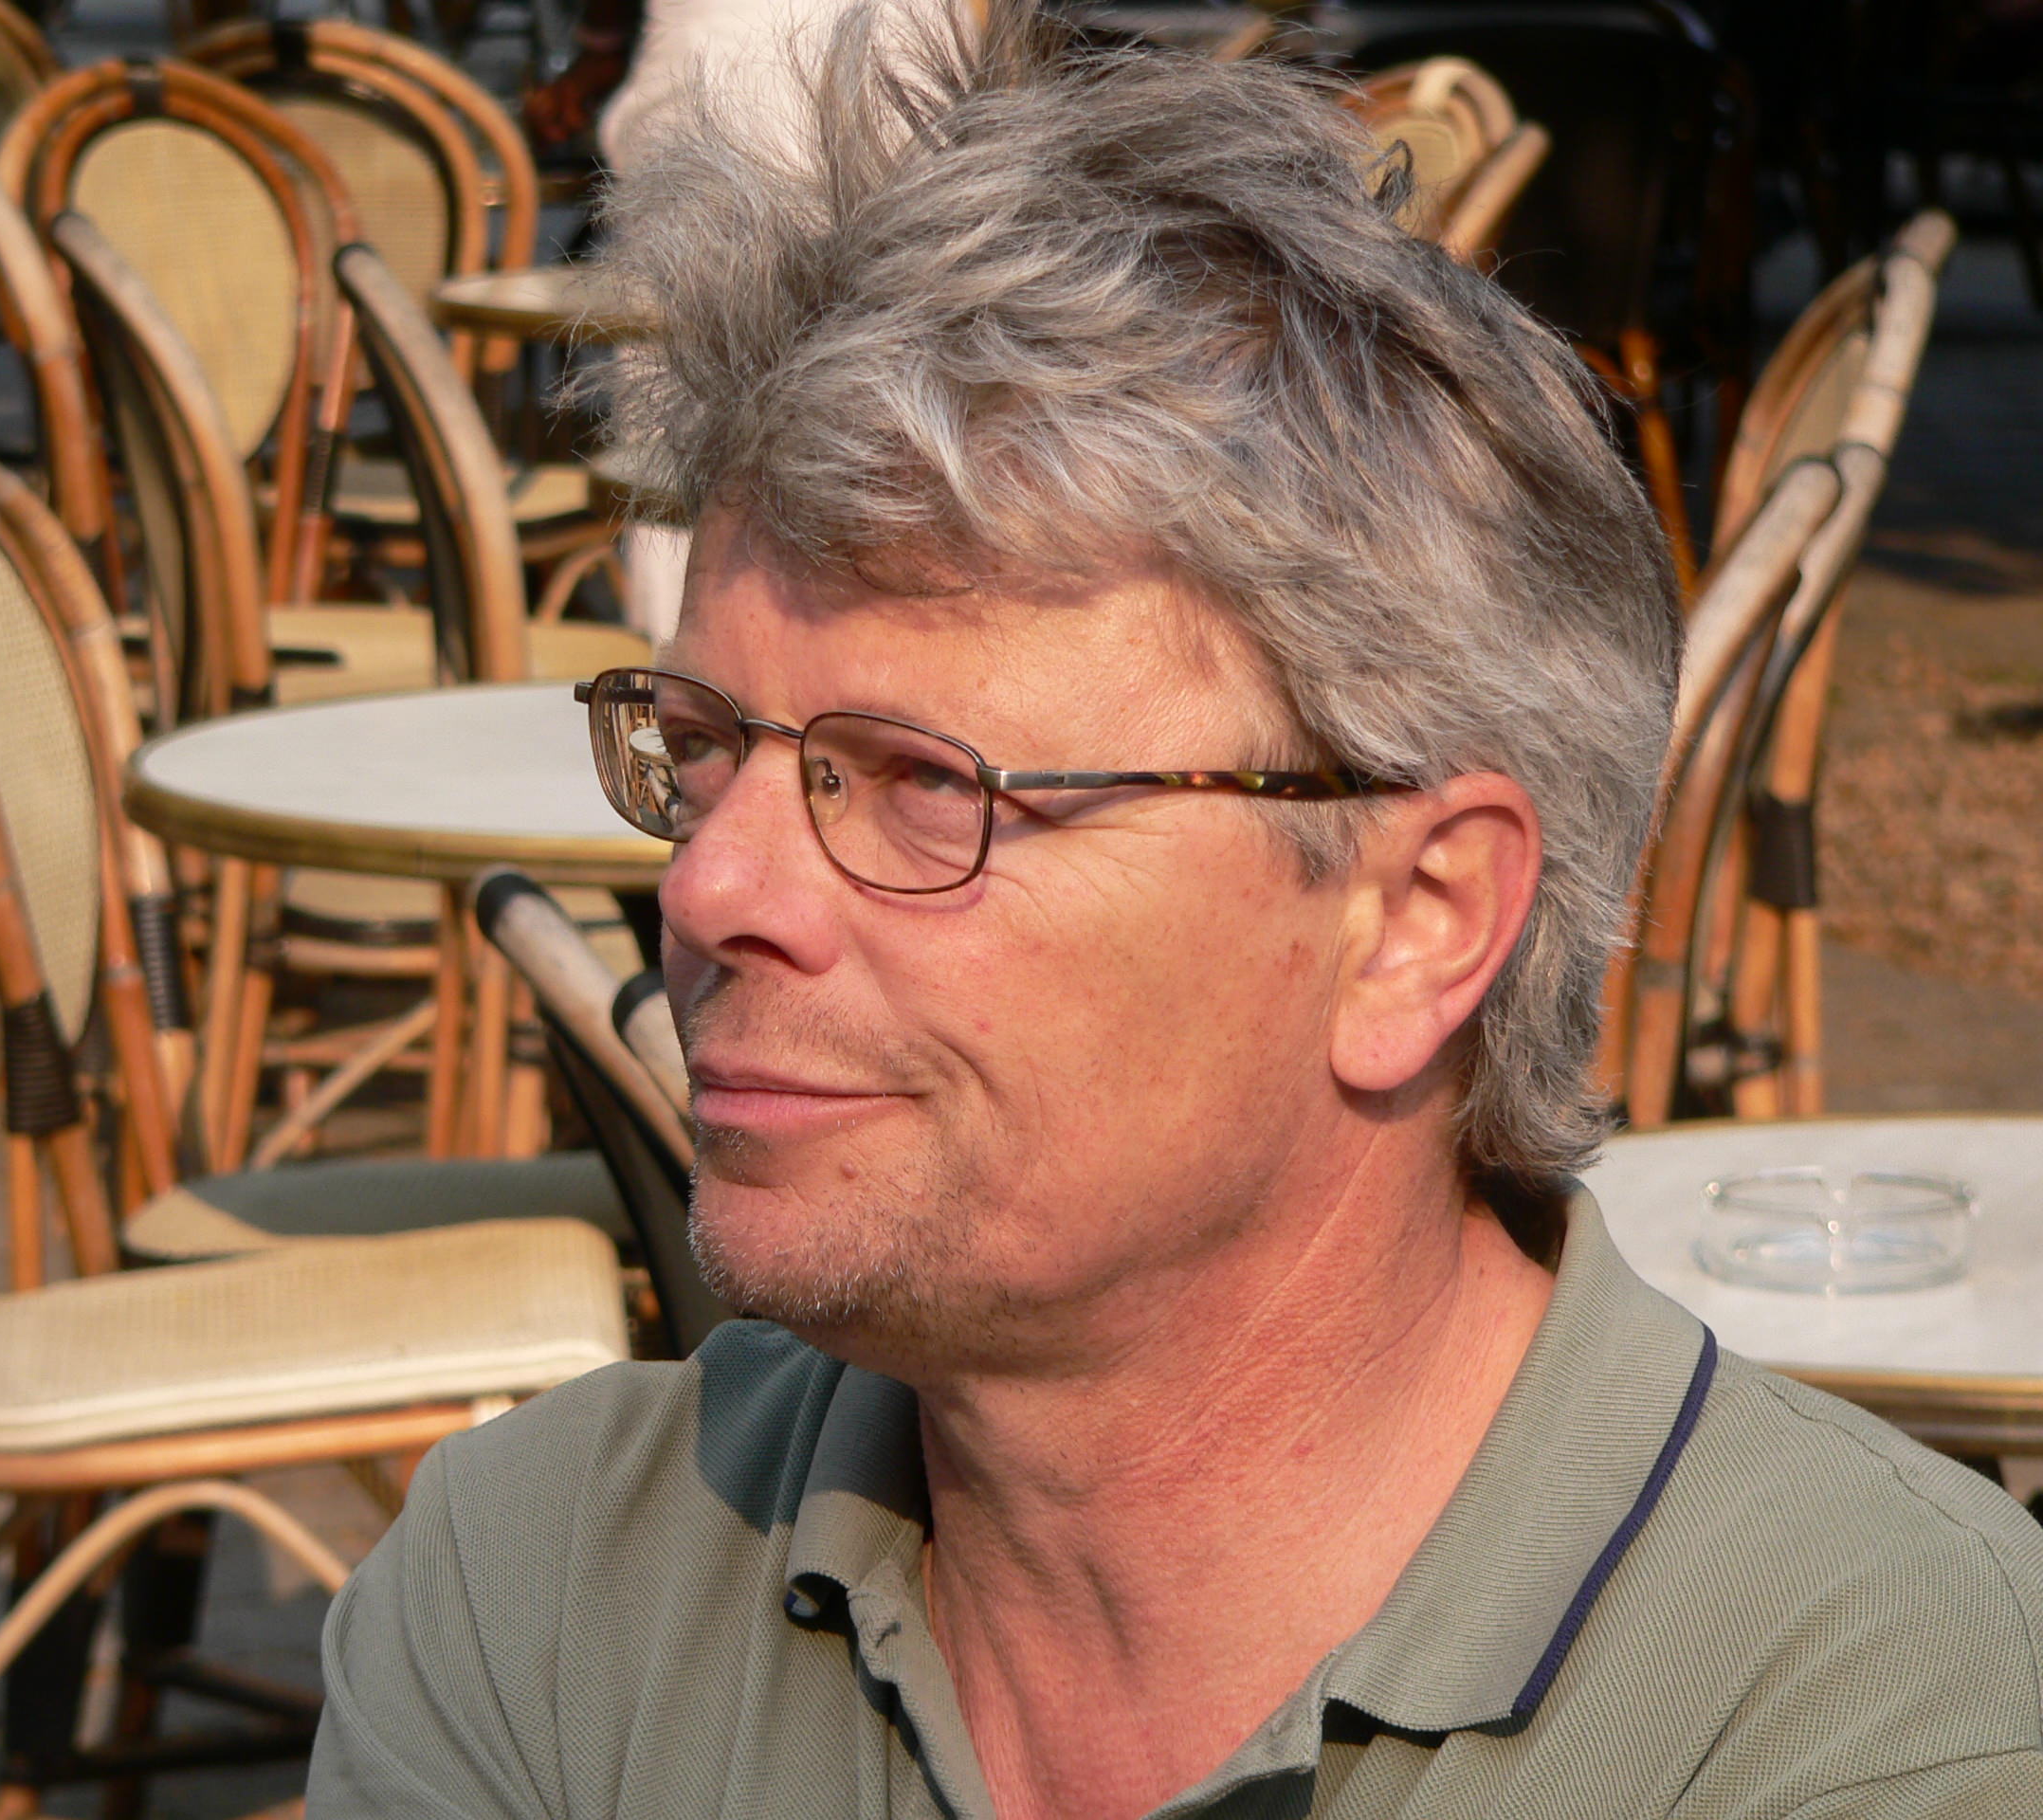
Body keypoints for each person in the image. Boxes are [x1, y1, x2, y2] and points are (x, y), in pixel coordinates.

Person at [309, 14, 2043, 1816]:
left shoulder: (1879, 1730)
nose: (712, 888)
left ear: (1419, 920)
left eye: (922, 785)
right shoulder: (546, 1604)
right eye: (700, 749)